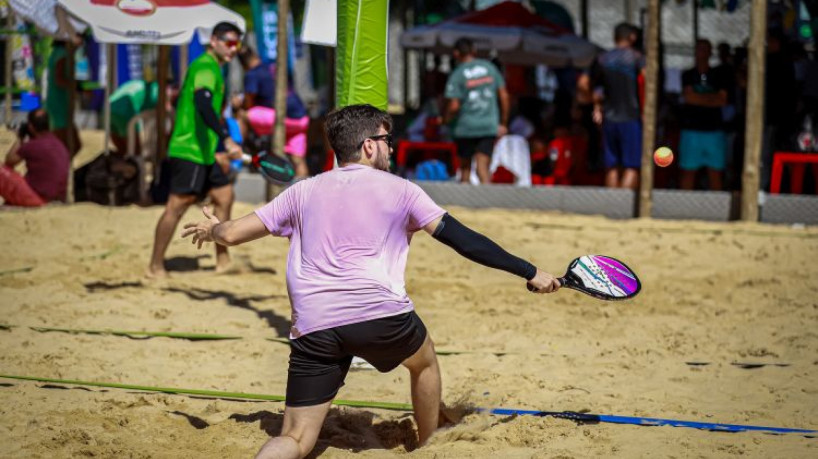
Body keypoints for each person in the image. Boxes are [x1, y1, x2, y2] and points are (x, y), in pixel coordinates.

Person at [180, 104, 560, 458]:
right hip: (379, 315)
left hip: (314, 324)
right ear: (367, 146)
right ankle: (429, 443)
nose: (391, 150)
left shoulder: (302, 190)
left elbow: (230, 235)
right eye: (386, 141)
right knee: (424, 361)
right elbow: (463, 240)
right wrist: (531, 272)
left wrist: (214, 230)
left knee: (294, 439)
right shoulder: (403, 190)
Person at [146, 22, 244, 278]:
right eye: (229, 42)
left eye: (238, 44)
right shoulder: (205, 66)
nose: (234, 49)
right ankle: (155, 266)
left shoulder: (215, 68)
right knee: (177, 206)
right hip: (189, 149)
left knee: (224, 196)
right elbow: (203, 103)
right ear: (214, 41)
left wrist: (219, 145)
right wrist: (227, 140)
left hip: (205, 151)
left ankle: (223, 259)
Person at [444, 37, 510, 184]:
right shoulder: (490, 68)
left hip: (465, 127)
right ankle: (488, 203)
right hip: (488, 125)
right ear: (474, 51)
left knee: (465, 168)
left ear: (456, 54)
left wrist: (445, 119)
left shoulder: (457, 74)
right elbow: (504, 96)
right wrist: (504, 122)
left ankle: (463, 204)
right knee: (483, 166)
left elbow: (454, 106)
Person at [237, 46, 310, 178]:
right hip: (301, 119)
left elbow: (248, 103)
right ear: (255, 55)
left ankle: (237, 154)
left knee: (243, 115)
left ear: (242, 64)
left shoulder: (252, 74)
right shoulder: (273, 66)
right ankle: (305, 194)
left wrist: (238, 104)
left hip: (283, 118)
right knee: (298, 159)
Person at [591, 23, 644, 190]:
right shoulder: (637, 58)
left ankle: (612, 205)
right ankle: (624, 207)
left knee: (612, 166)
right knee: (632, 166)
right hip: (631, 117)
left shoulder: (602, 59)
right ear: (632, 37)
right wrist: (645, 110)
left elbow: (595, 90)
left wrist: (597, 108)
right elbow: (646, 84)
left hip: (609, 118)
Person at [679, 39, 730, 190]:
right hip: (691, 130)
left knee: (715, 172)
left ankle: (717, 207)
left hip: (714, 130)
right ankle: (684, 206)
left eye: (705, 49)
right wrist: (710, 98)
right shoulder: (688, 74)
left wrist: (698, 98)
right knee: (688, 171)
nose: (701, 53)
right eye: (699, 49)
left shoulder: (719, 74)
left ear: (710, 53)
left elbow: (722, 100)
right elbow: (688, 97)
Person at [0, 109, 70, 206]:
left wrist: (20, 137)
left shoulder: (32, 145)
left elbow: (9, 162)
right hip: (56, 198)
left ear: (31, 127)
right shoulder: (59, 144)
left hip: (37, 199)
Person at [109, 79, 178, 156]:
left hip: (109, 106)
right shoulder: (162, 92)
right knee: (135, 153)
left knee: (123, 153)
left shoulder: (148, 86)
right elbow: (170, 116)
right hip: (126, 111)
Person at [46, 40, 81, 156]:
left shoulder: (56, 52)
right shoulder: (64, 55)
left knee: (70, 146)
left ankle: (60, 169)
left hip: (58, 103)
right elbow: (59, 80)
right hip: (60, 104)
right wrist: (76, 85)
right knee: (68, 146)